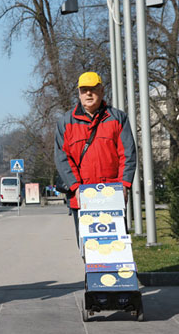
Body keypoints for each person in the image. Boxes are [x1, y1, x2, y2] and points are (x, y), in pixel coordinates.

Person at [54, 71, 136, 245]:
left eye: (93, 89)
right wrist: (75, 186)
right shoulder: (65, 122)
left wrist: (125, 185)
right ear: (79, 93)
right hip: (82, 196)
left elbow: (127, 154)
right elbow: (62, 158)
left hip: (112, 195)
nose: (88, 94)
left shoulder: (117, 118)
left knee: (116, 246)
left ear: (102, 90)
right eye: (84, 90)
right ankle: (90, 272)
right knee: (89, 249)